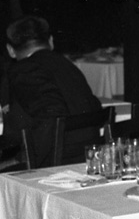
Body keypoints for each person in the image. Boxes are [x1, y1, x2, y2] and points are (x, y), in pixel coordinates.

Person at [1, 15, 101, 168]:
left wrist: (22, 160)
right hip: (87, 154)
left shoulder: (25, 70)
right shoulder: (67, 65)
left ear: (11, 50)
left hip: (57, 160)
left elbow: (51, 116)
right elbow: (93, 106)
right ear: (51, 41)